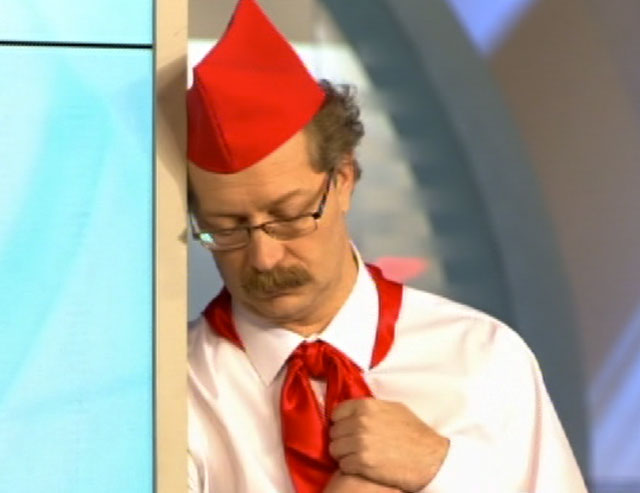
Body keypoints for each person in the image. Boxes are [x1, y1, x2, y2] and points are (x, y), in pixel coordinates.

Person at [186, 1, 588, 491]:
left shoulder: (484, 357)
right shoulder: (173, 392)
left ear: (344, 179)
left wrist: (442, 470)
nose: (264, 258)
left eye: (290, 216)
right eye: (227, 228)